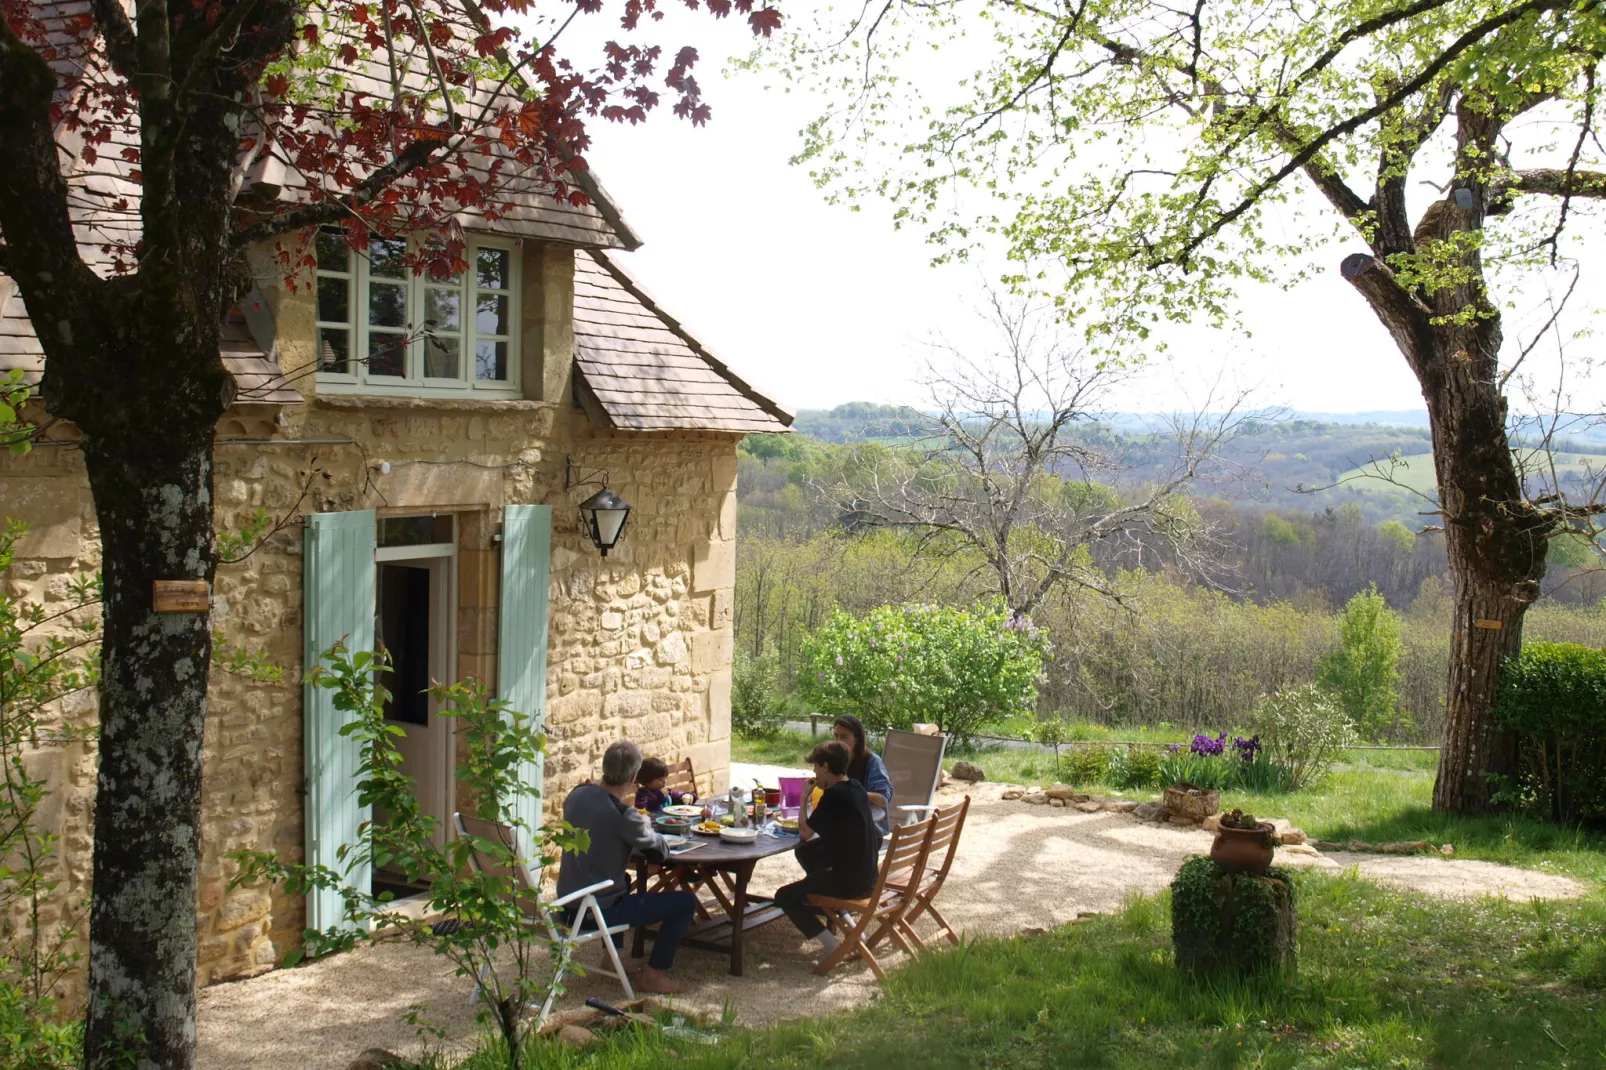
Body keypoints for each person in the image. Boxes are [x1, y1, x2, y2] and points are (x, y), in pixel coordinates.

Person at [557, 740, 698, 995]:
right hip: (595, 913)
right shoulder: (624, 815)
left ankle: (610, 961)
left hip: (567, 905)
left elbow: (600, 835)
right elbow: (660, 852)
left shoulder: (576, 795)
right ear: (634, 777)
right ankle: (654, 976)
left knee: (619, 880)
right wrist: (642, 823)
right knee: (686, 902)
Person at [774, 740, 883, 963]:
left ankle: (830, 943)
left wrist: (804, 797)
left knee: (784, 896)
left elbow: (804, 833)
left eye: (815, 767)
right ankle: (854, 929)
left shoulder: (834, 796)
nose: (814, 772)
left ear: (825, 766)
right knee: (806, 855)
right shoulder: (856, 788)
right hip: (869, 877)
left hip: (848, 883)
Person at [833, 714, 894, 835]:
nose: (838, 741)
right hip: (842, 824)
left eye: (844, 737)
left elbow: (882, 799)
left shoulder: (872, 762)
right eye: (836, 736)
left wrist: (854, 792)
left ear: (857, 739)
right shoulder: (835, 759)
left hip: (870, 831)